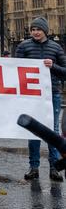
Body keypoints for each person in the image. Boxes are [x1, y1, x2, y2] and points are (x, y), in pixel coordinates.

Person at [16, 17, 66, 182]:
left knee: (53, 132)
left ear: (45, 30)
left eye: (38, 29)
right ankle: (34, 167)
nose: (35, 32)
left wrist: (53, 66)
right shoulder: (23, 46)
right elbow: (15, 69)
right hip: (31, 94)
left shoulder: (55, 47)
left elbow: (64, 71)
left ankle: (54, 167)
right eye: (33, 29)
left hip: (52, 93)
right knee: (34, 132)